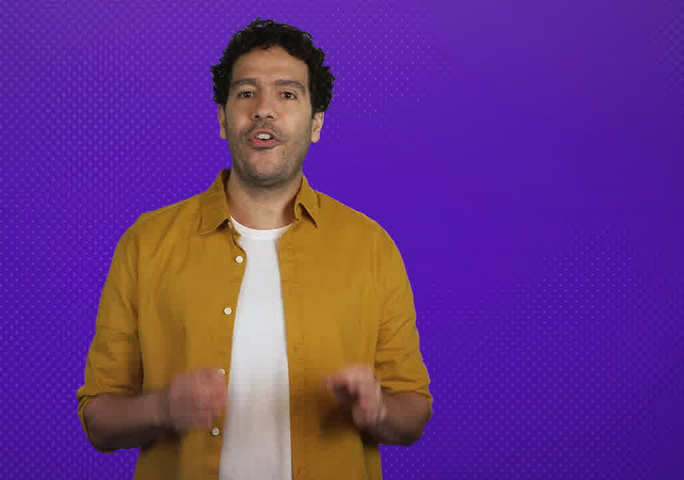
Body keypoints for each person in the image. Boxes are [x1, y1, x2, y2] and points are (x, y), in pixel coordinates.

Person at [76, 18, 433, 480]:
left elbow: (413, 412)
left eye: (287, 94)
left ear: (316, 123)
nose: (264, 109)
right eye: (246, 93)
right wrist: (162, 407)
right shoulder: (146, 243)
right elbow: (98, 420)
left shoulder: (371, 248)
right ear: (223, 119)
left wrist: (378, 408)